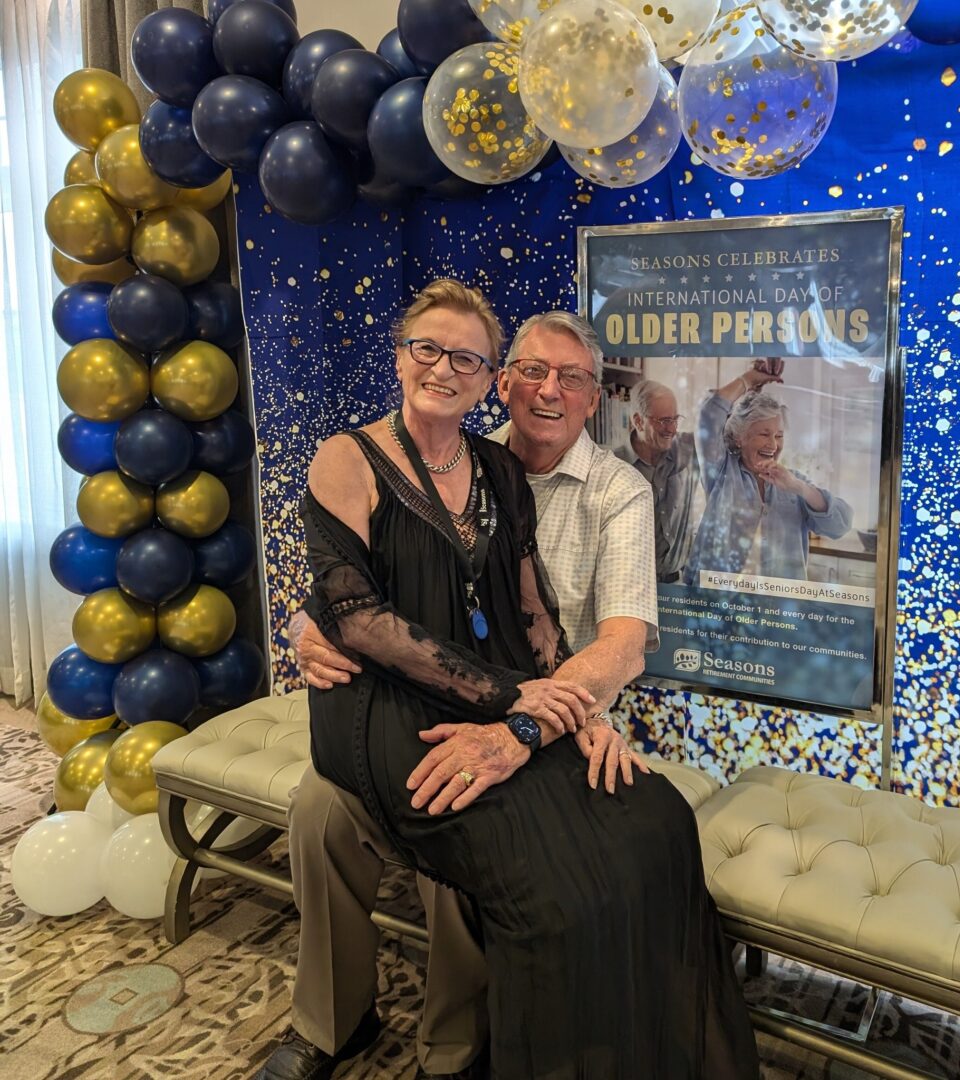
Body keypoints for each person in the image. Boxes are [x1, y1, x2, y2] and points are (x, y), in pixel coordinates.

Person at [259, 284, 758, 1080]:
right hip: (415, 704)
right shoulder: (443, 445)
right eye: (531, 371)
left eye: (569, 377)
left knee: (542, 828)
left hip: (533, 708)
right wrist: (299, 623)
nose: (548, 390)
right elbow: (348, 587)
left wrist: (561, 709)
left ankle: (460, 1046)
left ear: (595, 396)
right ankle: (331, 1023)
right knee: (321, 812)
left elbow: (618, 642)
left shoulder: (612, 490)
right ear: (507, 382)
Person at [683, 359, 853, 584]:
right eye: (764, 434)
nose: (773, 445)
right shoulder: (723, 470)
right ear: (739, 438)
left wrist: (800, 488)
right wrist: (750, 379)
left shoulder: (794, 483)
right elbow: (710, 414)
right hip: (719, 607)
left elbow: (841, 524)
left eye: (779, 435)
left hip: (777, 611)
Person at [615, 379, 701, 582]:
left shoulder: (687, 449)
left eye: (675, 419)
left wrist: (749, 384)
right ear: (638, 421)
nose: (671, 429)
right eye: (663, 421)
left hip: (677, 585)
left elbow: (722, 427)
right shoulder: (613, 466)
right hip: (630, 588)